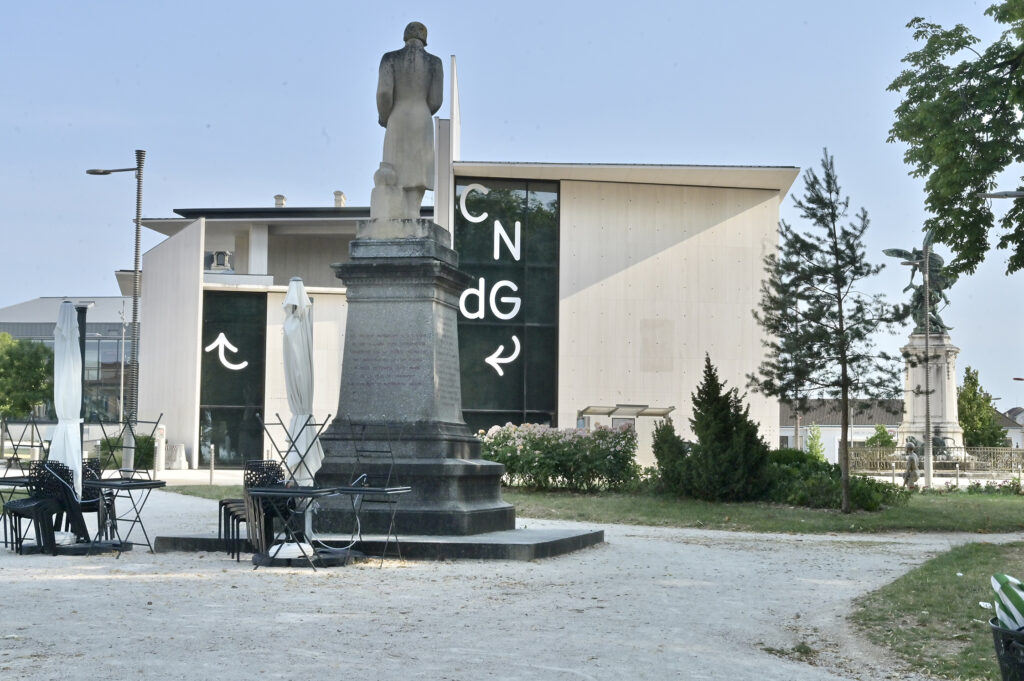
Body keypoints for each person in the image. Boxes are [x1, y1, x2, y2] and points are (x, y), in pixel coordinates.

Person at [373, 21, 443, 220]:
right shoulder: (435, 63)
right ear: (424, 38)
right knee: (418, 167)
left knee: (394, 168)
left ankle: (394, 212)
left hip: (398, 115)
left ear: (405, 36)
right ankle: (413, 212)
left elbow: (384, 93)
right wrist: (423, 108)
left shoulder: (389, 59)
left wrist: (384, 116)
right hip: (421, 115)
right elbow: (436, 100)